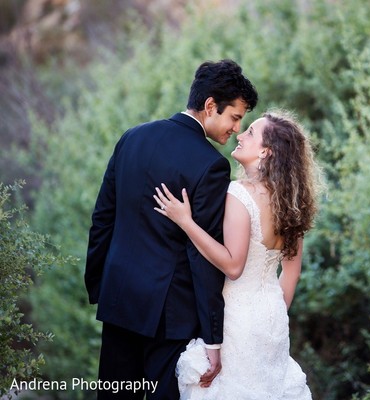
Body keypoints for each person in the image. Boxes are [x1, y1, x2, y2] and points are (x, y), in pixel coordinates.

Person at [85, 59, 258, 399]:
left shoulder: (131, 138)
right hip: (170, 317)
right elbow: (201, 255)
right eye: (235, 117)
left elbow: (103, 218)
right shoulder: (211, 165)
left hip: (119, 298)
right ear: (210, 106)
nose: (236, 128)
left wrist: (100, 285)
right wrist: (213, 336)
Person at [153, 109, 322, 399]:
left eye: (251, 133)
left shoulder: (240, 193)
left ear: (266, 152)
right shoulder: (292, 204)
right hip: (273, 319)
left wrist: (186, 222)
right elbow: (291, 275)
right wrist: (272, 314)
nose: (240, 134)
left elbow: (233, 266)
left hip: (238, 319)